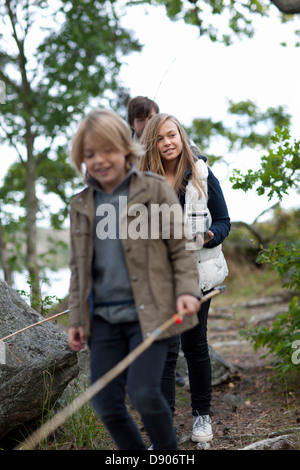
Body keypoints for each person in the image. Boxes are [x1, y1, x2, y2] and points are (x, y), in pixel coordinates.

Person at [67, 108, 202, 450]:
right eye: (90, 154)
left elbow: (180, 248)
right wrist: (77, 319)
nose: (100, 160)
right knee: (106, 404)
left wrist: (186, 291)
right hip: (103, 321)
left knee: (144, 394)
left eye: (108, 150)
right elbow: (78, 268)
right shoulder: (81, 204)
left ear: (126, 149)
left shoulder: (153, 189)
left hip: (150, 313)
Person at [140, 113, 231, 443]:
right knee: (164, 352)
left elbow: (223, 221)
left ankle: (201, 418)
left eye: (172, 135)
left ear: (181, 137)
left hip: (198, 275)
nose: (167, 142)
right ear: (152, 144)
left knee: (195, 346)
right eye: (160, 138)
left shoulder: (202, 174)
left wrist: (209, 235)